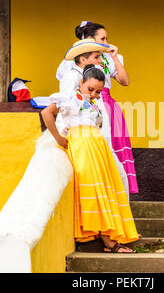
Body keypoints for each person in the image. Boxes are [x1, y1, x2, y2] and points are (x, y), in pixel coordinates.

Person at [42, 64, 138, 252]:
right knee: (93, 190)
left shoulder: (93, 103)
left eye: (98, 91)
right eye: (90, 89)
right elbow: (46, 113)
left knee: (103, 189)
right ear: (81, 83)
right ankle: (107, 241)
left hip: (96, 147)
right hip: (82, 147)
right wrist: (59, 138)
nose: (94, 94)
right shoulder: (72, 98)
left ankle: (107, 237)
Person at [56, 21, 139, 195]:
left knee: (113, 147)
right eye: (102, 38)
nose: (106, 41)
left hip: (106, 103)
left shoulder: (107, 58)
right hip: (86, 106)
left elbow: (125, 81)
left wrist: (115, 57)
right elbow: (69, 94)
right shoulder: (75, 64)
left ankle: (115, 190)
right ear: (90, 39)